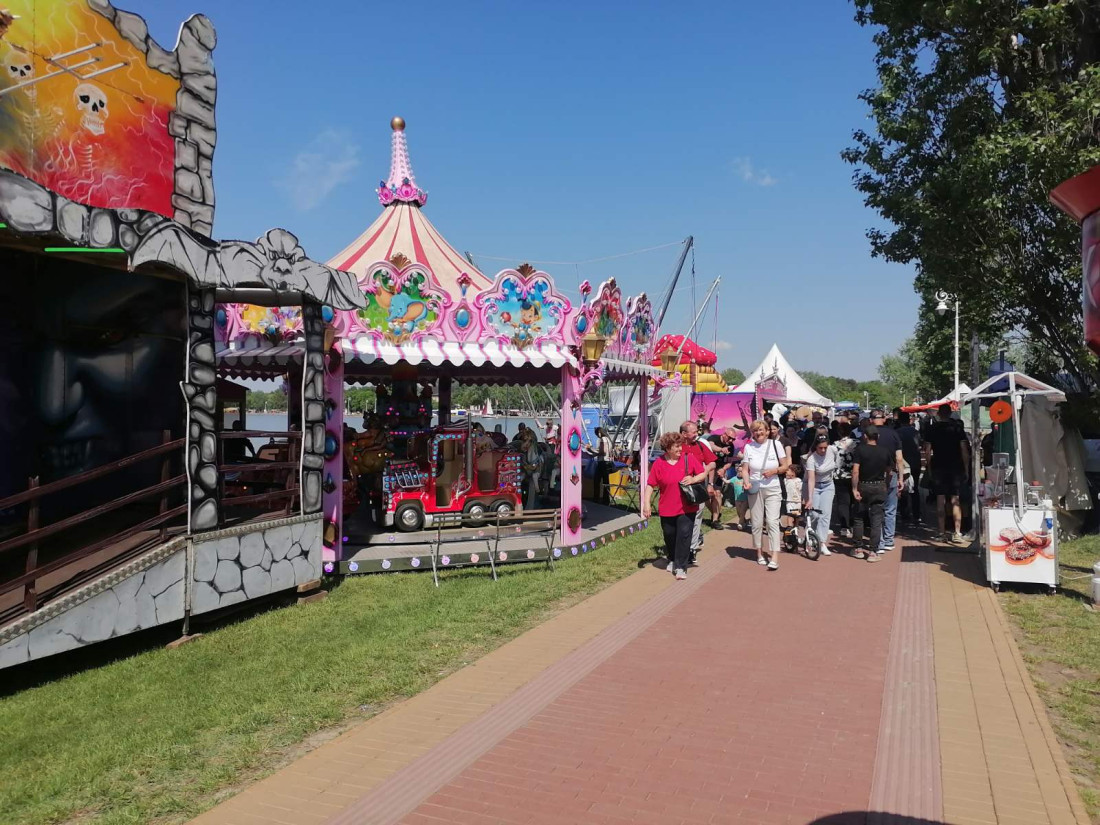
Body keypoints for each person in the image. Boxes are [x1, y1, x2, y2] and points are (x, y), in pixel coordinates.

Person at [642, 431, 707, 581]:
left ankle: (681, 567)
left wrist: (693, 478)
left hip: (686, 507)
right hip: (667, 508)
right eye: (676, 447)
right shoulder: (659, 463)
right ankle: (672, 558)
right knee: (670, 536)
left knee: (684, 536)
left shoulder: (688, 459)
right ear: (668, 448)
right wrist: (646, 505)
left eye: (680, 446)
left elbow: (702, 473)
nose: (680, 449)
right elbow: (651, 485)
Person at [740, 419, 790, 570]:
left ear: (767, 431)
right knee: (756, 523)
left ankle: (775, 556)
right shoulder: (749, 447)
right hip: (755, 488)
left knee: (773, 521)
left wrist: (774, 471)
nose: (758, 433)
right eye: (755, 430)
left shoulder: (776, 445)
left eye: (761, 430)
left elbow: (785, 465)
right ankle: (759, 553)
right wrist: (746, 481)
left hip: (773, 487)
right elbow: (744, 469)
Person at [924, 403, 970, 542]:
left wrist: (929, 467)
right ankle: (957, 532)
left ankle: (941, 532)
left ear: (939, 414)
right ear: (950, 414)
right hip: (955, 466)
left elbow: (927, 451)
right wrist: (966, 468)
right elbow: (964, 450)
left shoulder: (932, 429)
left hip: (938, 466)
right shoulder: (957, 428)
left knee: (940, 500)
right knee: (955, 500)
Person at [851, 424, 893, 562]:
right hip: (879, 485)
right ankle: (873, 551)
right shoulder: (885, 451)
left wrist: (854, 488)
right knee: (876, 519)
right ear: (878, 437)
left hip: (863, 485)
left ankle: (858, 548)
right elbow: (889, 472)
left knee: (859, 517)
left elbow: (855, 470)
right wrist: (885, 484)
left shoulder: (860, 450)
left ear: (864, 436)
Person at [679, 420, 716, 561]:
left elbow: (712, 462)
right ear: (684, 434)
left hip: (696, 487)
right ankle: (681, 545)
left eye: (697, 431)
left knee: (696, 516)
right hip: (680, 486)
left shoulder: (700, 445)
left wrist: (704, 471)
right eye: (693, 432)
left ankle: (691, 548)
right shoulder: (677, 446)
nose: (697, 434)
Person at [868, 409, 904, 553]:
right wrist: (901, 477)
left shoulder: (868, 434)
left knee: (877, 509)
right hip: (891, 473)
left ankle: (880, 541)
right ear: (884, 419)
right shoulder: (893, 434)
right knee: (890, 509)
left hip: (873, 475)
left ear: (871, 419)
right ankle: (889, 540)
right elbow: (899, 458)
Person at [803, 433, 840, 555]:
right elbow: (811, 479)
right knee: (814, 514)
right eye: (820, 448)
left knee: (825, 514)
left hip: (828, 485)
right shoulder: (811, 459)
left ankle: (822, 542)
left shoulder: (833, 450)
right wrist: (809, 498)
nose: (823, 450)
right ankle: (811, 537)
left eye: (825, 447)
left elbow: (837, 463)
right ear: (816, 447)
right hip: (815, 486)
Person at [895, 410, 923, 525]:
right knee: (915, 489)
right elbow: (919, 446)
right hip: (915, 463)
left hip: (903, 465)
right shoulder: (916, 432)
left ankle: (904, 513)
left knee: (902, 488)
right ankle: (917, 514)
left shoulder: (897, 433)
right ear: (909, 420)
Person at [831, 421, 857, 538]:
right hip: (854, 475)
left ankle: (844, 527)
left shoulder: (835, 445)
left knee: (842, 502)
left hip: (839, 476)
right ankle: (852, 524)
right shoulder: (857, 443)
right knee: (853, 501)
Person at [586, 426, 614, 506]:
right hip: (607, 462)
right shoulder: (608, 439)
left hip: (602, 462)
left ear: (599, 432)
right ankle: (606, 499)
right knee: (606, 482)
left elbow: (602, 452)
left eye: (597, 433)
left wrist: (592, 451)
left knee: (597, 481)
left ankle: (596, 498)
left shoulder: (602, 439)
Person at [517, 428, 543, 510]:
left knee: (535, 476)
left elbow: (531, 442)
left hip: (535, 469)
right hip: (527, 467)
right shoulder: (524, 443)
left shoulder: (533, 443)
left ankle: (538, 490)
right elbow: (522, 446)